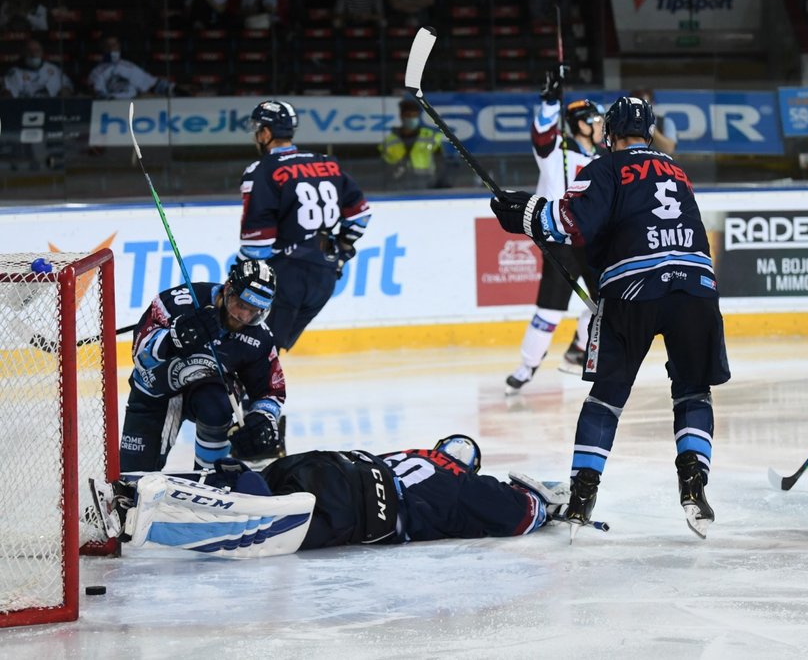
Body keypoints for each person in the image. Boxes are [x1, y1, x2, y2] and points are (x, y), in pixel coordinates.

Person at [490, 96, 731, 541]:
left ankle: (582, 496)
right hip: (696, 290)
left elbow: (570, 223)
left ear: (610, 133)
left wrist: (523, 213)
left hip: (634, 291)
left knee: (606, 399)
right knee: (693, 391)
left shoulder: (604, 167)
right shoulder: (677, 171)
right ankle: (695, 486)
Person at [90, 435, 568, 558]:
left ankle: (133, 489)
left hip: (326, 462)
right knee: (260, 524)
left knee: (263, 484)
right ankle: (141, 523)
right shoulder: (467, 484)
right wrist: (549, 505)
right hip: (357, 507)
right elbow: (520, 515)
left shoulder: (414, 452)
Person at [120, 259, 286, 473]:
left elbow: (270, 392)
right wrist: (172, 340)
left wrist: (262, 418)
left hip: (205, 395)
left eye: (255, 311)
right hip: (153, 392)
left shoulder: (259, 338)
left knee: (216, 404)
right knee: (131, 477)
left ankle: (210, 476)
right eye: (242, 305)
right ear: (228, 289)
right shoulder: (176, 302)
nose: (243, 316)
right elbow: (140, 355)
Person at [238, 100, 371, 352]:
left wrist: (241, 271)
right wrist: (340, 251)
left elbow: (258, 243)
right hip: (325, 277)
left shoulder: (261, 171)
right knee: (268, 350)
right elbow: (360, 216)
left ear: (266, 133)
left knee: (250, 347)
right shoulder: (327, 163)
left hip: (286, 276)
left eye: (258, 130)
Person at [504, 69, 603, 394]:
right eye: (598, 121)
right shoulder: (557, 153)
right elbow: (542, 134)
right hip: (559, 241)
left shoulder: (605, 159)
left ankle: (578, 350)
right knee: (549, 310)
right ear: (583, 124)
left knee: (607, 302)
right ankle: (527, 365)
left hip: (592, 241)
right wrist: (549, 102)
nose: (603, 127)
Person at [378, 98, 449, 189]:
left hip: (427, 186)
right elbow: (384, 170)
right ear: (401, 116)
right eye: (408, 115)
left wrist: (441, 184)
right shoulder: (389, 142)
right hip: (399, 188)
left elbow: (441, 165)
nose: (411, 119)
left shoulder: (431, 137)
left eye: (414, 116)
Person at [88, 36, 175, 100]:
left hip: (133, 106)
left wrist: (173, 89)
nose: (111, 48)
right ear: (103, 48)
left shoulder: (129, 67)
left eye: (114, 45)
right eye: (108, 46)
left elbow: (151, 84)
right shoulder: (97, 71)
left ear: (119, 46)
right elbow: (98, 94)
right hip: (111, 108)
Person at [3, 39, 73, 98]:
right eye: (29, 51)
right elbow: (7, 96)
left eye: (37, 50)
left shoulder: (54, 69)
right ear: (23, 53)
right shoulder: (15, 72)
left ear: (42, 53)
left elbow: (67, 86)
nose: (33, 54)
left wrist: (65, 91)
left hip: (52, 109)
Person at [629, 87, 677, 155]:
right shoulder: (624, 123)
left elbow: (669, 150)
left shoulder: (665, 122)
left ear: (652, 104)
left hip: (658, 163)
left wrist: (650, 124)